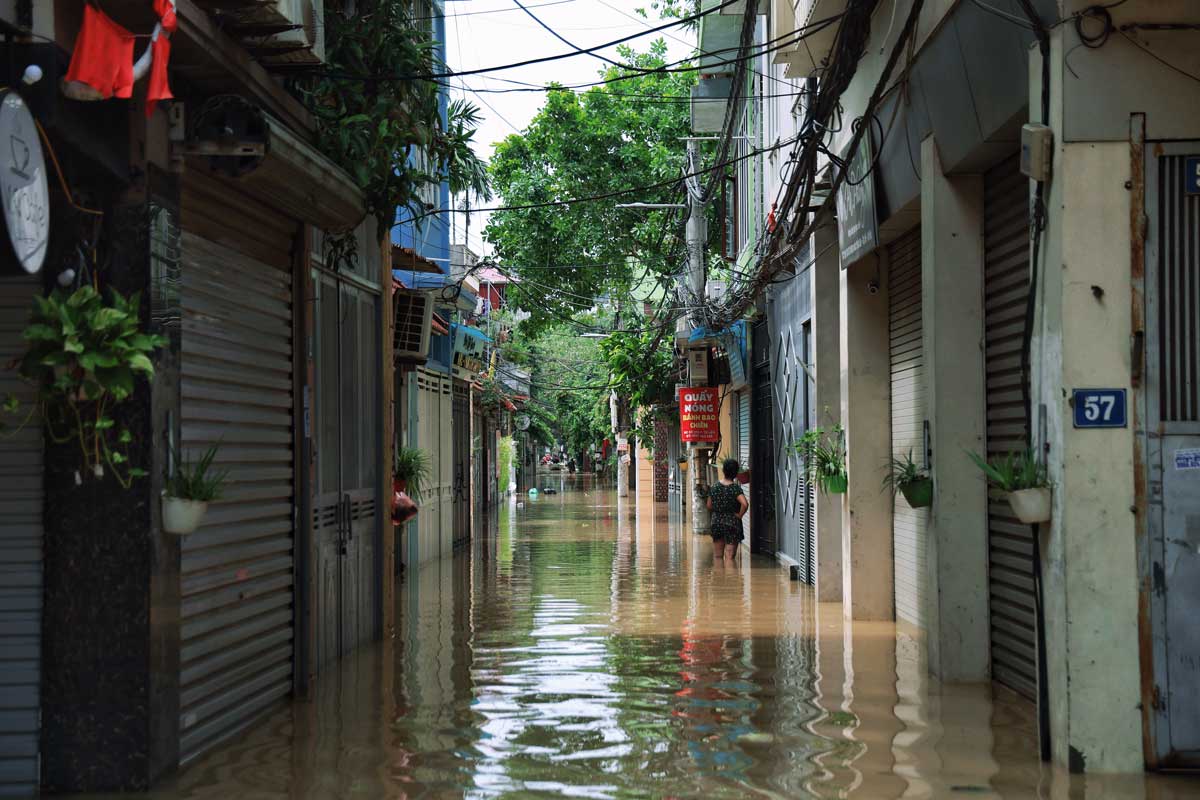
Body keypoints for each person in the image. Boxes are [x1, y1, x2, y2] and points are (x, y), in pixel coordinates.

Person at [706, 458, 748, 562]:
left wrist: (718, 511)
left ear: (724, 470)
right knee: (729, 558)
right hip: (732, 523)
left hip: (717, 522)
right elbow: (745, 504)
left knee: (718, 557)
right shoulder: (735, 488)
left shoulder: (714, 487)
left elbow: (709, 506)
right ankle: (730, 577)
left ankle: (719, 577)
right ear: (735, 473)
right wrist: (739, 515)